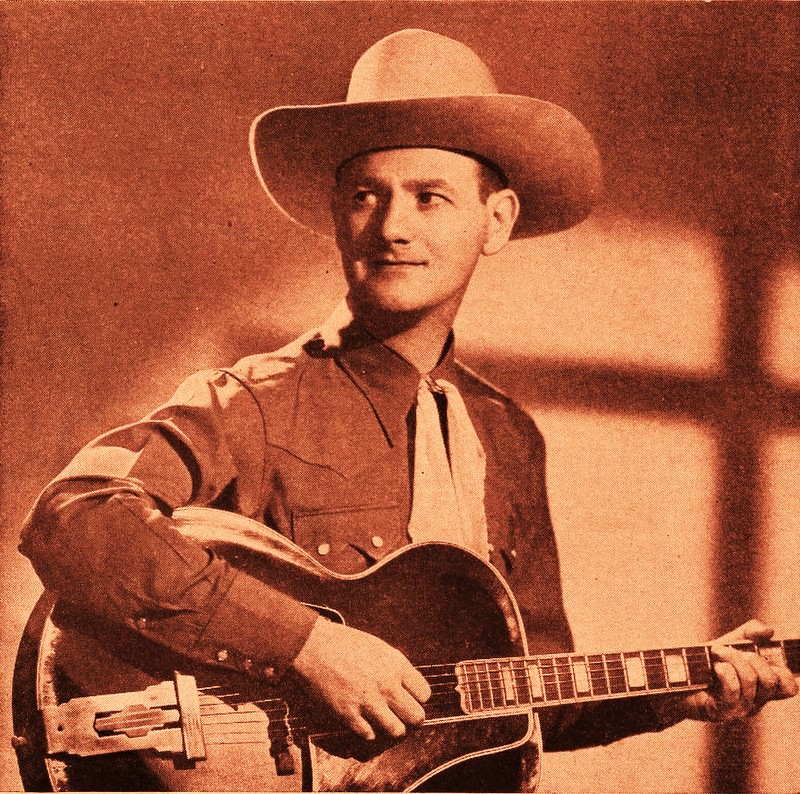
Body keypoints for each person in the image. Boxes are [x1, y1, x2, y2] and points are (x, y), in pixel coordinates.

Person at [20, 28, 797, 791]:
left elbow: (521, 693)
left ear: (496, 220)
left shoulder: (507, 436)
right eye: (367, 195)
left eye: (430, 197)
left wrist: (675, 694)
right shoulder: (256, 400)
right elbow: (72, 516)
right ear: (338, 212)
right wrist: (307, 645)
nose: (393, 227)